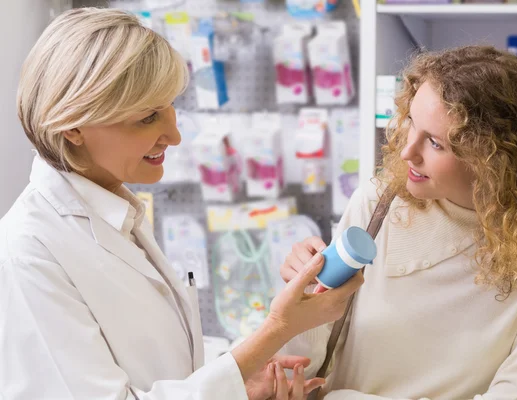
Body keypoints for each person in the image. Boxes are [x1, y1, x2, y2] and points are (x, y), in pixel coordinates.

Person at [0, 8, 363, 400]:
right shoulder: (29, 252)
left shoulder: (119, 216)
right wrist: (277, 328)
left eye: (170, 107)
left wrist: (241, 385)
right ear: (73, 125)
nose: (173, 135)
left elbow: (164, 372)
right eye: (148, 117)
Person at [279, 45, 517, 400]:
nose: (407, 151)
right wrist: (303, 290)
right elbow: (309, 353)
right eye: (411, 122)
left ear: (493, 160)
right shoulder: (379, 204)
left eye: (436, 143)